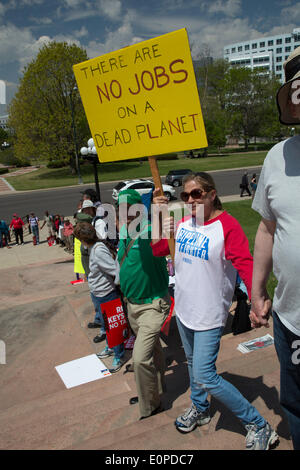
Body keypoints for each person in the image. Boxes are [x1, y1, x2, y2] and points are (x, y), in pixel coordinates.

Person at [151, 171, 278, 450]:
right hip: (184, 311)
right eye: (185, 195)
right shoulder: (183, 223)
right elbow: (160, 249)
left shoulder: (227, 226)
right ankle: (200, 408)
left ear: (211, 194)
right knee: (195, 366)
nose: (190, 199)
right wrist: (159, 218)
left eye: (196, 193)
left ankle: (258, 424)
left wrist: (258, 299)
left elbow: (244, 263)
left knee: (206, 375)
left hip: (209, 314)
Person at [250, 46, 300, 451]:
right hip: (291, 320)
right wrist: (257, 290)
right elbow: (267, 229)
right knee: (297, 407)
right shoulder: (276, 157)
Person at [117, 188, 171, 420]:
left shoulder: (150, 231)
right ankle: (155, 390)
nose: (125, 213)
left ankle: (151, 405)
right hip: (132, 306)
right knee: (154, 350)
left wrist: (160, 210)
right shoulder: (123, 232)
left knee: (139, 359)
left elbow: (164, 239)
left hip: (152, 305)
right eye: (121, 208)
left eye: (129, 208)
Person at [73, 221, 125, 373]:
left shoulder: (98, 250)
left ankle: (118, 355)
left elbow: (114, 269)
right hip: (98, 293)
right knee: (106, 325)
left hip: (107, 294)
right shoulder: (91, 248)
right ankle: (110, 347)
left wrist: (117, 285)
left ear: (83, 239)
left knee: (113, 328)